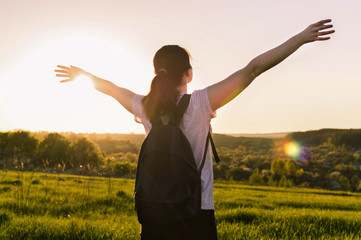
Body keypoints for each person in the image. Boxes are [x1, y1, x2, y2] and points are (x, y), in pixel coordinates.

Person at [55, 19, 334, 240]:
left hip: (154, 214)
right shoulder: (200, 103)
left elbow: (113, 90)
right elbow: (253, 69)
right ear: (188, 74)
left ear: (157, 73)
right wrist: (299, 39)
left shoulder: (145, 106)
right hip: (196, 214)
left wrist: (85, 76)